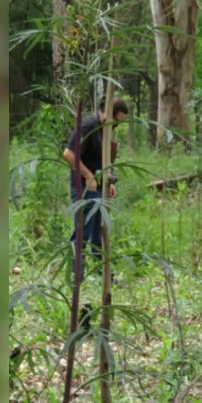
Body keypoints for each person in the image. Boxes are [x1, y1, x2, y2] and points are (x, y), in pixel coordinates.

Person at [62, 98, 129, 274]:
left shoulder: (105, 130)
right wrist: (88, 176)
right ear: (106, 112)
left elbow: (98, 160)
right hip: (84, 187)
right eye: (116, 120)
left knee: (98, 232)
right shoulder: (89, 125)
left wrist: (108, 182)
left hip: (98, 187)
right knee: (81, 233)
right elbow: (69, 154)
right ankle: (77, 276)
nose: (117, 125)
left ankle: (104, 274)